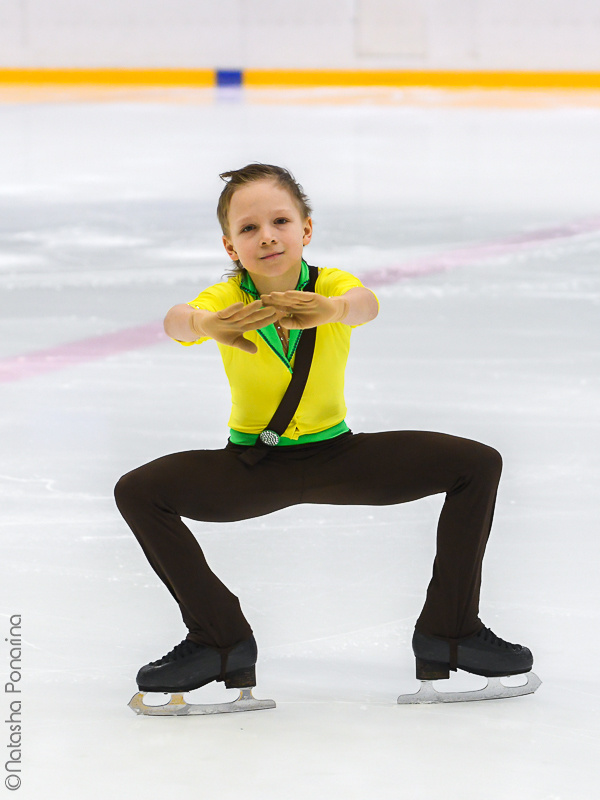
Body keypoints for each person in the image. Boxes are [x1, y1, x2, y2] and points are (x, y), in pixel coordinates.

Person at [115, 163, 533, 706]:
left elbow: (366, 305)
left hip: (340, 456)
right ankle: (219, 641)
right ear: (230, 246)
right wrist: (204, 324)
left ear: (305, 230)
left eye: (280, 221)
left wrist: (330, 309)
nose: (266, 235)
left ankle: (449, 634)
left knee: (476, 463)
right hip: (253, 467)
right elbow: (177, 320)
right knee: (138, 489)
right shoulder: (226, 299)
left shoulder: (330, 286)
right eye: (248, 229)